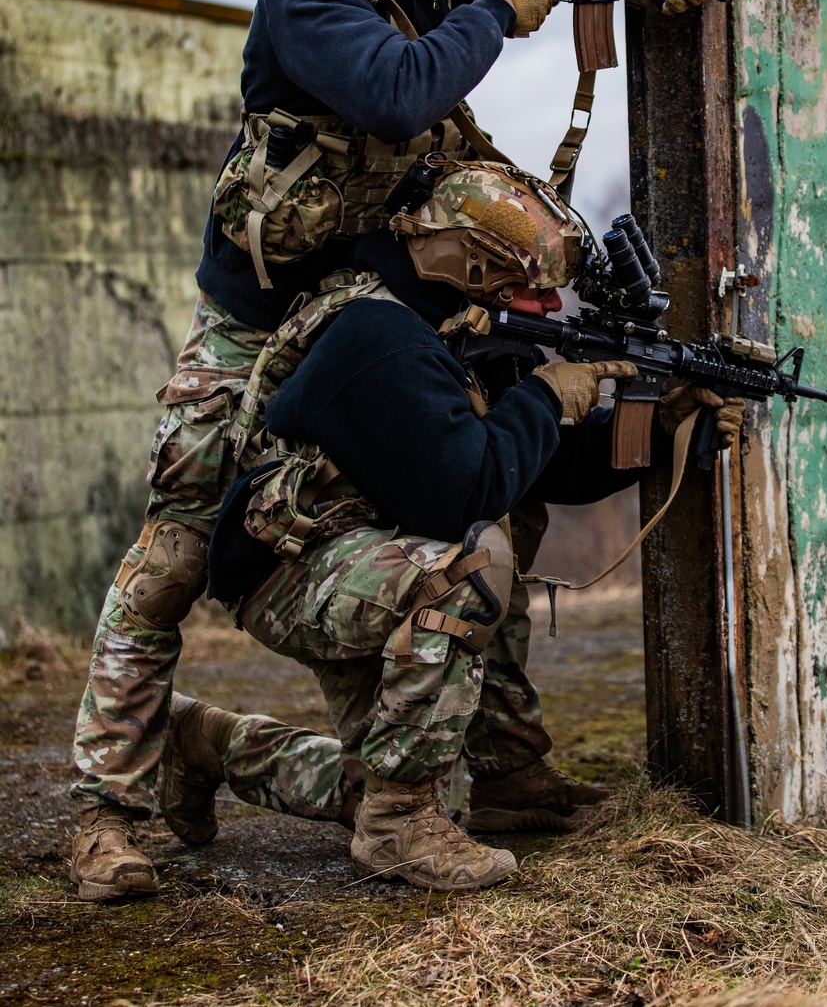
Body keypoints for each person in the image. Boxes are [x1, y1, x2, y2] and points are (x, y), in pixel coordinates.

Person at [68, 0, 721, 902]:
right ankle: (109, 808)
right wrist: (502, 3)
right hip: (258, 316)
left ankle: (506, 765)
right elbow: (392, 88)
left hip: (379, 304)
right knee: (174, 546)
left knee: (480, 490)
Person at [135, 160, 744, 894]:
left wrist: (668, 427)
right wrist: (549, 400)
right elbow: (464, 491)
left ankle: (211, 742)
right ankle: (398, 826)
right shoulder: (376, 334)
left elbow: (533, 465)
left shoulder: (462, 323)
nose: (550, 304)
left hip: (363, 552)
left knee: (385, 779)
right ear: (472, 265)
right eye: (532, 284)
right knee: (469, 562)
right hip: (289, 562)